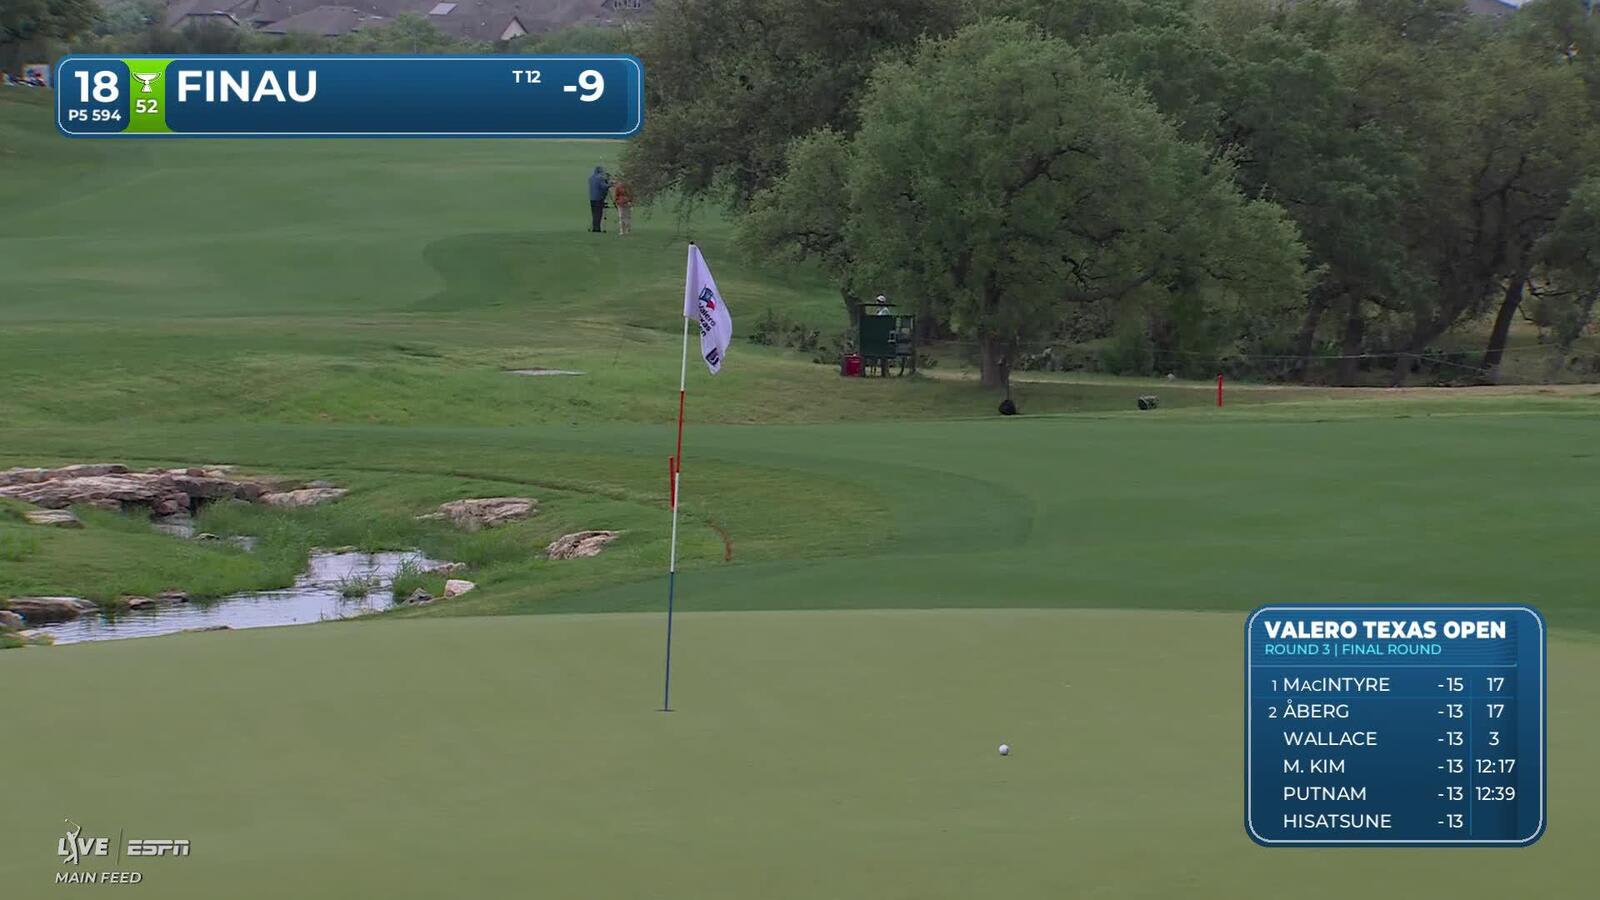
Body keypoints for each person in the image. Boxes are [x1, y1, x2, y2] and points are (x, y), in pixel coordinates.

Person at [587, 165, 610, 233]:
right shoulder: (600, 178)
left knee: (594, 213)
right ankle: (597, 229)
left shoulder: (591, 178)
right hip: (599, 198)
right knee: (598, 214)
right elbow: (603, 187)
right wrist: (610, 184)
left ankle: (594, 227)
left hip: (592, 198)